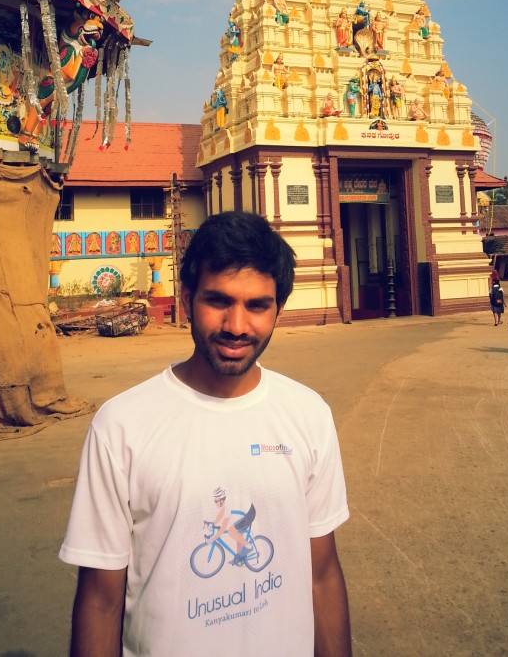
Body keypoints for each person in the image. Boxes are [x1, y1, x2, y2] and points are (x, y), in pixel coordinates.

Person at [59, 211, 352, 657]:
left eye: (257, 306)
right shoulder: (121, 427)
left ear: (279, 309)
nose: (237, 326)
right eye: (218, 301)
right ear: (187, 297)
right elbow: (100, 601)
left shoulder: (308, 414)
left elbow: (322, 574)